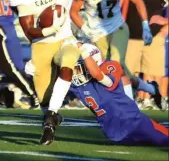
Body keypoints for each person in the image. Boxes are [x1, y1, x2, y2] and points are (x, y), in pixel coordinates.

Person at [8, 0, 128, 145]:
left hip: (65, 39)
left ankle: (52, 118)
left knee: (68, 62)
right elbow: (28, 30)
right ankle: (51, 114)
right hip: (41, 44)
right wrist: (48, 29)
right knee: (44, 100)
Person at [25, 41, 169, 146]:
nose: (76, 73)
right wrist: (37, 68)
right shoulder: (76, 85)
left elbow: (97, 74)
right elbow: (52, 83)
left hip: (135, 122)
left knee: (164, 139)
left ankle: (151, 89)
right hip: (115, 134)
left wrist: (84, 51)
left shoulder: (109, 68)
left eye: (79, 68)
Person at [70, 0, 154, 101]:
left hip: (117, 27)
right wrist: (85, 29)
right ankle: (145, 86)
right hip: (96, 32)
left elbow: (138, 1)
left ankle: (128, 104)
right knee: (108, 70)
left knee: (116, 63)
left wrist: (145, 26)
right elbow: (73, 12)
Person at [123, 0, 168, 110]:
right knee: (130, 71)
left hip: (154, 36)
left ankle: (147, 99)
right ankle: (134, 98)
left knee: (151, 70)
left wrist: (166, 22)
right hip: (131, 37)